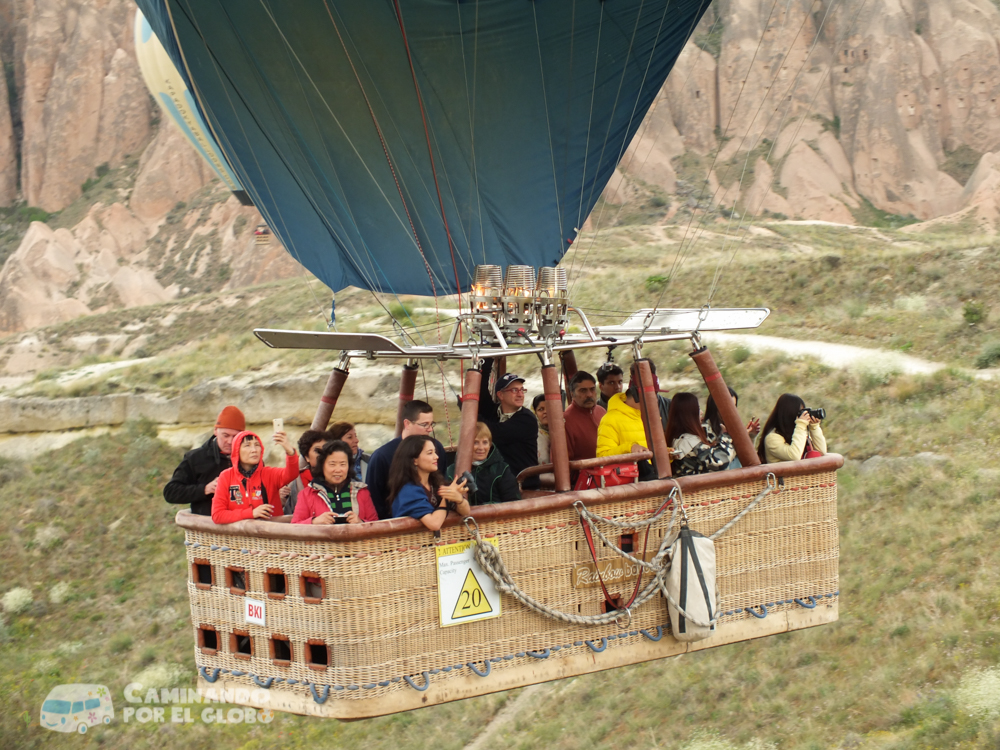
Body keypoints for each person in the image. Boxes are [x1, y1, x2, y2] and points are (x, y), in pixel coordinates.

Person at [366, 400, 448, 520]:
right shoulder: (382, 456)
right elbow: (374, 499)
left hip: (436, 517)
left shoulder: (437, 447)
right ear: (407, 424)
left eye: (432, 424)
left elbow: (441, 482)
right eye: (425, 424)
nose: (430, 429)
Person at [164, 406, 245, 516]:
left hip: (242, 527)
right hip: (206, 528)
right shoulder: (195, 458)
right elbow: (170, 492)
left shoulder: (249, 458)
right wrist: (205, 489)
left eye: (235, 437)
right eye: (225, 435)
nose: (230, 441)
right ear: (215, 430)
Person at [210, 430, 298, 524]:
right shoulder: (226, 476)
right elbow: (217, 515)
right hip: (239, 537)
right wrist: (251, 513)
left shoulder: (269, 474)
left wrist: (290, 451)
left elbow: (292, 474)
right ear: (236, 450)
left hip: (270, 535)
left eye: (257, 445)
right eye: (247, 445)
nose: (254, 450)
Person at [388, 436, 470, 531]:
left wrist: (459, 499)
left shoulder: (436, 483)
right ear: (415, 460)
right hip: (412, 544)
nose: (436, 457)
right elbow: (434, 524)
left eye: (435, 452)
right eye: (430, 453)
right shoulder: (408, 491)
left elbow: (466, 511)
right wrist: (447, 498)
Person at [477, 359, 538, 487]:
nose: (520, 394)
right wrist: (487, 362)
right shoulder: (494, 412)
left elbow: (494, 433)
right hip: (499, 483)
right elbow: (481, 392)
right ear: (500, 395)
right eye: (514, 390)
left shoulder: (527, 419)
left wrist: (471, 414)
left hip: (524, 485)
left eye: (522, 390)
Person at [292, 440, 377, 524]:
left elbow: (375, 525)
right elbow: (295, 527)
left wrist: (361, 522)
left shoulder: (362, 492)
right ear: (322, 465)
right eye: (332, 464)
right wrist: (314, 521)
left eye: (343, 464)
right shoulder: (307, 495)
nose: (338, 470)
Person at [447, 423, 520, 505]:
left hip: (496, 516)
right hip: (463, 517)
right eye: (475, 443)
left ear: (490, 445)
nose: (481, 448)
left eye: (485, 442)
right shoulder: (451, 471)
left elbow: (513, 501)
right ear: (466, 445)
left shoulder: (501, 470)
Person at [665, 392, 734, 476]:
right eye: (697, 408)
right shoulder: (687, 442)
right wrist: (726, 435)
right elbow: (721, 463)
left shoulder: (678, 439)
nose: (701, 412)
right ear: (689, 414)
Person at [757, 393, 827, 464]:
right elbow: (794, 456)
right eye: (800, 412)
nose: (803, 416)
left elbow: (821, 451)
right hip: (783, 475)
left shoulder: (798, 433)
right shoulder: (772, 438)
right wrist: (801, 424)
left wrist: (814, 427)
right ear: (790, 414)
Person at [280, 429, 335, 515]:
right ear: (307, 457)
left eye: (326, 450)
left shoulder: (340, 478)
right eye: (317, 451)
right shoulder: (296, 481)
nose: (322, 454)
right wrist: (279, 497)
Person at [704, 387, 760, 469]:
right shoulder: (705, 430)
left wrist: (750, 436)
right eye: (728, 406)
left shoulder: (732, 427)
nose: (731, 411)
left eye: (734, 407)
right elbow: (720, 461)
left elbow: (746, 458)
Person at [563, 370, 606, 462]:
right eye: (583, 391)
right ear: (572, 394)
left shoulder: (601, 411)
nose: (589, 395)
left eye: (592, 389)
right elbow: (562, 463)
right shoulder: (565, 421)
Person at [532, 394, 550, 464]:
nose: (545, 412)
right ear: (536, 413)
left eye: (549, 408)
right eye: (541, 409)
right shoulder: (535, 434)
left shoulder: (565, 428)